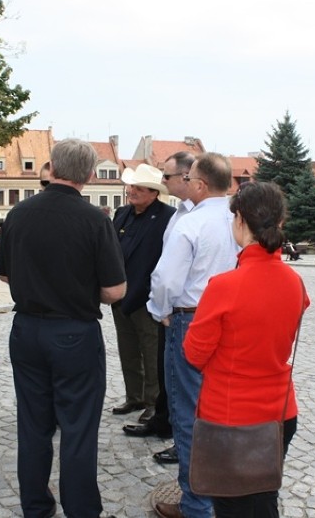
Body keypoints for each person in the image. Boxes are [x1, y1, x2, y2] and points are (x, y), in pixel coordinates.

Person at [0, 139, 126, 518]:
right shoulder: (95, 219)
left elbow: (3, 271)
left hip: (27, 330)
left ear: (51, 168)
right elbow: (114, 290)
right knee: (78, 427)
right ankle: (82, 509)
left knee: (33, 424)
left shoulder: (19, 213)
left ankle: (35, 506)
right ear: (89, 175)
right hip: (74, 332)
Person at [184, 182, 309, 518]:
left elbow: (194, 354)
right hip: (280, 413)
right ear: (280, 224)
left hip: (231, 418)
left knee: (234, 508)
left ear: (239, 219)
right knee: (263, 499)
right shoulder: (295, 282)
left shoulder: (224, 287)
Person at [147, 152, 240, 518]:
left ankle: (197, 505)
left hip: (191, 319)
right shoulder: (237, 218)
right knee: (222, 411)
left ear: (200, 184)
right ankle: (222, 498)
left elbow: (166, 280)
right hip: (230, 320)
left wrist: (160, 311)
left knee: (188, 415)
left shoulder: (191, 223)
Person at [123, 152, 195, 454]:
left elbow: (166, 270)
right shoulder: (178, 214)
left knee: (174, 375)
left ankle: (174, 431)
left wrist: (159, 305)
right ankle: (161, 420)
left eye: (167, 177)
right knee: (165, 370)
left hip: (170, 306)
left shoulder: (179, 215)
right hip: (147, 301)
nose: (132, 192)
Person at [110, 164, 175, 424]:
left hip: (148, 299)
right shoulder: (122, 213)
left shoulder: (167, 217)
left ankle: (152, 402)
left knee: (151, 353)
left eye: (138, 187)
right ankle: (133, 396)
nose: (132, 191)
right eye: (131, 186)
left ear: (153, 192)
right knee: (127, 350)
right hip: (121, 296)